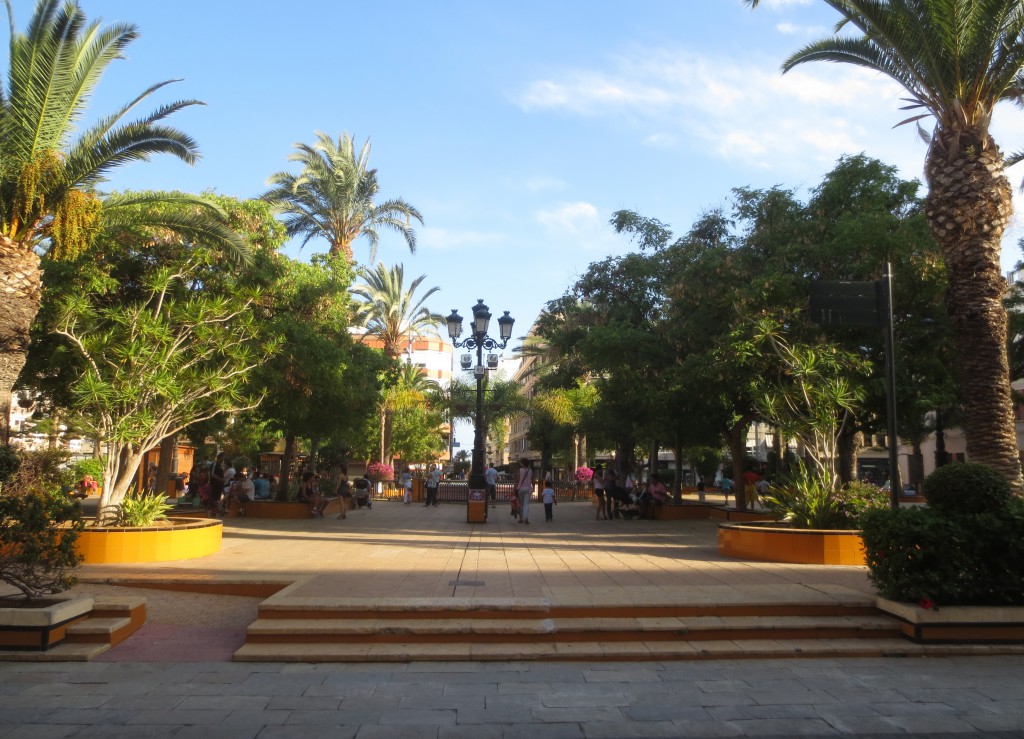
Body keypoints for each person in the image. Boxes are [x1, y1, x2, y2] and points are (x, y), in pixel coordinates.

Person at [515, 458, 533, 524]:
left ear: (523, 463)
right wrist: (533, 487)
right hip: (528, 489)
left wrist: (515, 488)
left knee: (521, 504)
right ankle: (526, 518)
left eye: (521, 463)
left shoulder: (520, 470)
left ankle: (521, 519)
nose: (520, 464)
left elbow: (517, 480)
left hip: (521, 489)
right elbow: (532, 479)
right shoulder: (530, 471)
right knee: (526, 504)